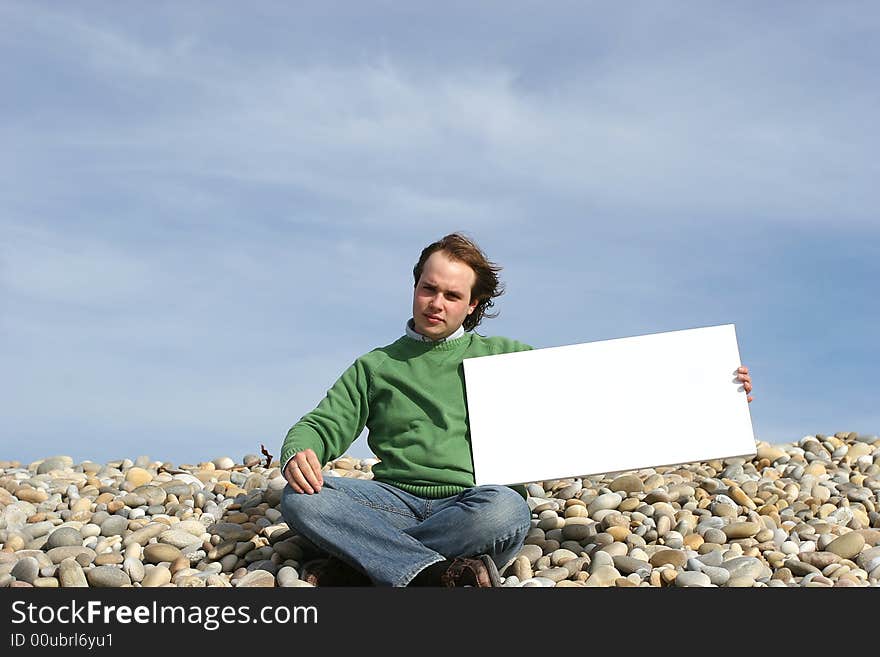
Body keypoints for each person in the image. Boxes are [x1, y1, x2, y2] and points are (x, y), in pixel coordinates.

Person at [279, 233, 755, 587]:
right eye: (429, 289)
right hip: (393, 500)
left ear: (473, 304)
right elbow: (322, 424)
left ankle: (369, 562)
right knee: (302, 499)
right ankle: (432, 574)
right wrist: (300, 451)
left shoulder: (508, 355)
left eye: (452, 295)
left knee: (503, 511)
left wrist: (715, 391)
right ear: (416, 286)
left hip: (473, 502)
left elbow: (604, 398)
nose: (436, 304)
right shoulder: (376, 365)